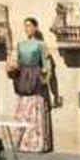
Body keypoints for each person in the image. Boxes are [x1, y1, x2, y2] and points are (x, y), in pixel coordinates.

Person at [9, 17, 53, 152]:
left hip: (35, 77)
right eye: (25, 26)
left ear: (35, 27)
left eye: (29, 26)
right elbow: (16, 60)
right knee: (22, 108)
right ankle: (20, 143)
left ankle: (36, 144)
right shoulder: (20, 44)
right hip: (23, 77)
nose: (27, 28)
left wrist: (45, 77)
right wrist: (12, 68)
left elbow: (47, 63)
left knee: (35, 107)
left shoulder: (41, 45)